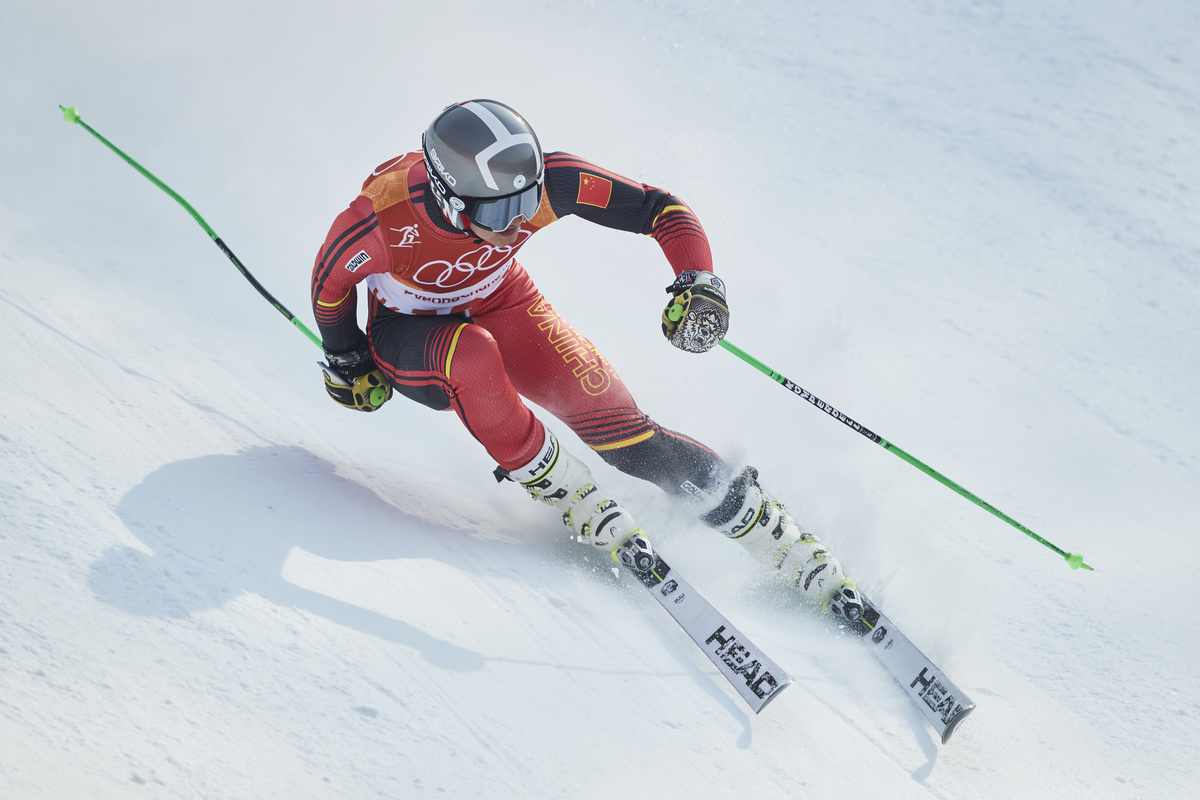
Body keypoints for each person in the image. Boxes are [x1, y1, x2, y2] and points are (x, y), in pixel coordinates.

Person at [311, 99, 864, 623]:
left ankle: (772, 534)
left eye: (527, 202)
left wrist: (699, 283)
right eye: (501, 210)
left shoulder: (552, 182)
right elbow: (330, 286)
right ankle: (568, 491)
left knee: (623, 431)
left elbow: (659, 209)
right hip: (409, 330)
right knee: (472, 357)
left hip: (504, 299)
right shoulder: (382, 220)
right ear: (449, 198)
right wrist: (348, 360)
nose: (518, 223)